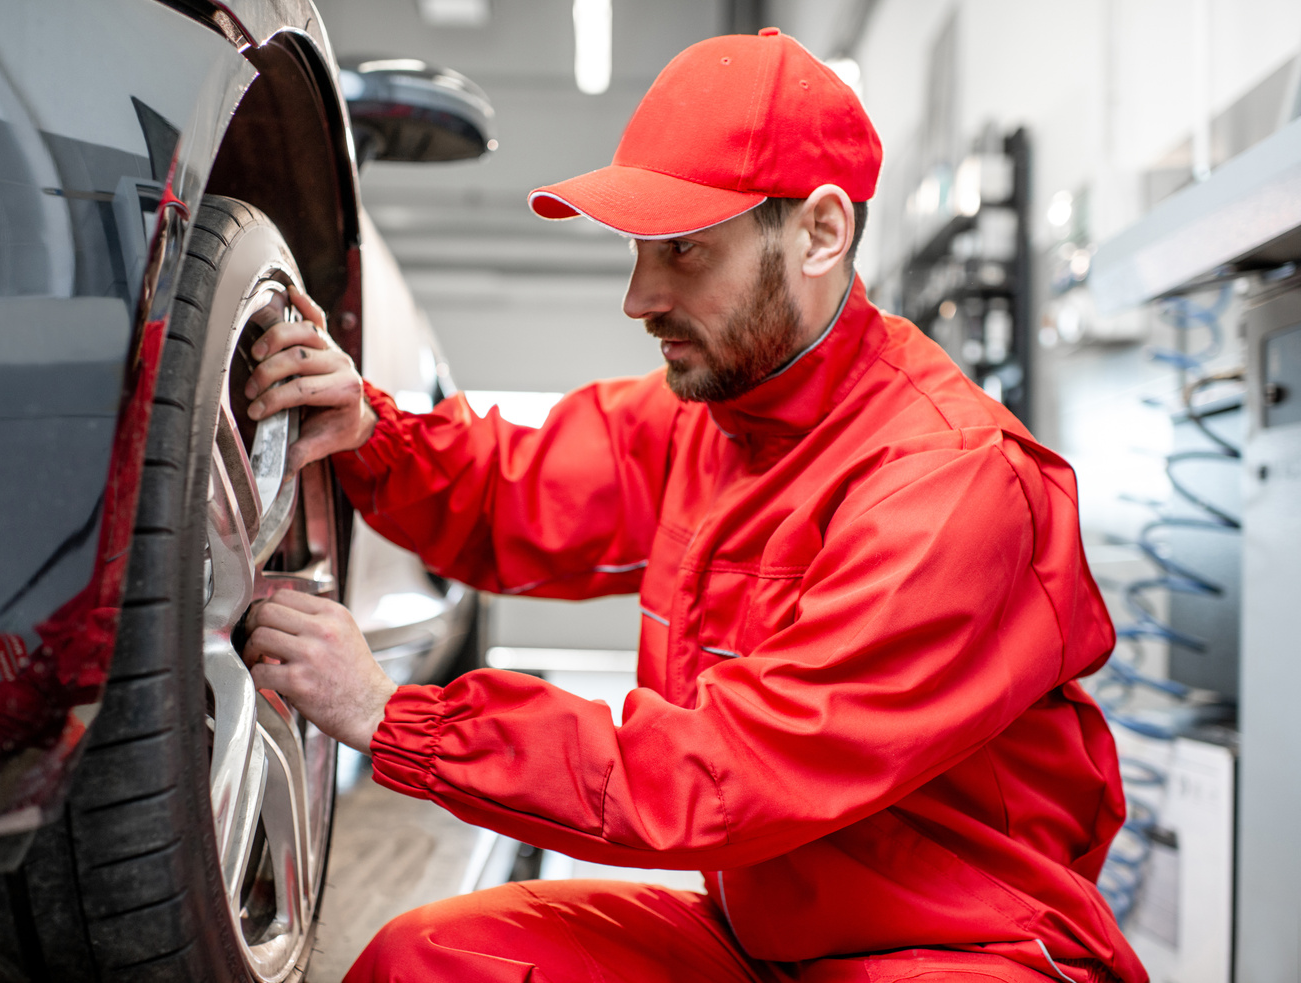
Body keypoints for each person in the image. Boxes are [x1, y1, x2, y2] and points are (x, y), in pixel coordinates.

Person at [238, 29, 1144, 983]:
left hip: (958, 950)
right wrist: (369, 431)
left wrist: (394, 715)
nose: (640, 296)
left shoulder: (951, 482)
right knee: (430, 962)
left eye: (684, 251)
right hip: (760, 937)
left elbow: (726, 768)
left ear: (821, 234)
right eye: (637, 249)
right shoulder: (714, 419)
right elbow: (510, 493)